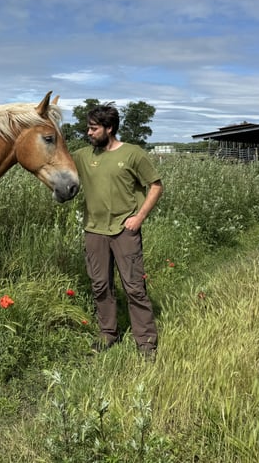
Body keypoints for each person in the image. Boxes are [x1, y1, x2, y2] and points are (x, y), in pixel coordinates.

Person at [72, 103, 163, 359]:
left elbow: (155, 186)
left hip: (124, 230)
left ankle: (146, 343)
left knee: (134, 287)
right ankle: (107, 334)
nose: (88, 133)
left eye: (93, 128)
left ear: (109, 128)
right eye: (88, 128)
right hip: (94, 231)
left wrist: (139, 217)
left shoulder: (134, 154)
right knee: (101, 285)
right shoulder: (83, 156)